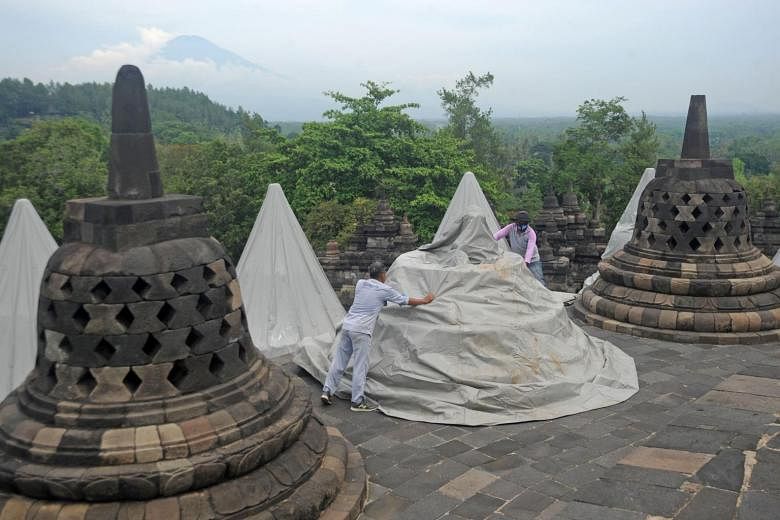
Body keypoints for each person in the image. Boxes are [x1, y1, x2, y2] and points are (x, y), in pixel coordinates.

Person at [320, 261, 434, 411]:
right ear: (382, 275)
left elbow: (373, 299)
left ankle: (327, 391)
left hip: (347, 326)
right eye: (385, 273)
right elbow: (405, 300)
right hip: (362, 330)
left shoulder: (361, 283)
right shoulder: (385, 290)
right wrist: (424, 300)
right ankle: (357, 402)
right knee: (360, 365)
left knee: (339, 361)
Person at [494, 210, 546, 286]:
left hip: (532, 260)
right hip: (517, 259)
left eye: (525, 224)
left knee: (538, 280)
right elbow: (498, 235)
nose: (523, 226)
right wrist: (490, 241)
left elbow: (530, 249)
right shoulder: (511, 227)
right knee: (517, 282)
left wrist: (526, 262)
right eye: (521, 224)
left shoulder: (531, 233)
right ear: (516, 223)